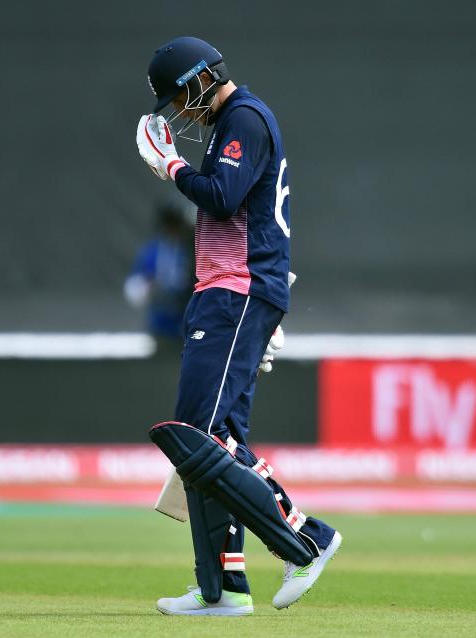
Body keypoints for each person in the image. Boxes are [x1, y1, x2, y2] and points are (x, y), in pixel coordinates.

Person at [135, 36, 342, 616]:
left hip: (237, 292)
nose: (182, 112)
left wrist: (169, 165)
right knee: (211, 440)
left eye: (181, 98)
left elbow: (223, 199)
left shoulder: (244, 118)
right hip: (230, 294)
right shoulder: (239, 120)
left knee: (197, 437)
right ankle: (222, 588)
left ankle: (307, 539)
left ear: (203, 77)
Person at [123, 203, 193, 352]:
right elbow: (135, 286)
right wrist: (147, 287)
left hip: (188, 325)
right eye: (169, 224)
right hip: (161, 325)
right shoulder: (153, 250)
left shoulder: (190, 250)